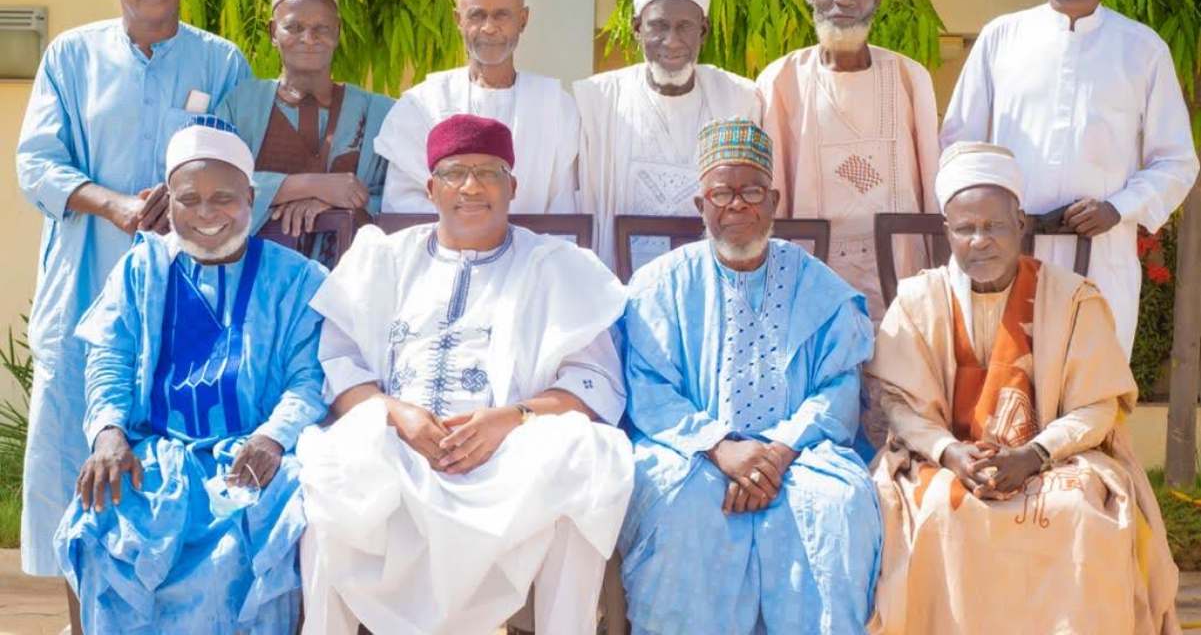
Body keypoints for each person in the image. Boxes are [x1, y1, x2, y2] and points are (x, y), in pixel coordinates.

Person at [296, 114, 633, 635]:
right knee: (329, 467)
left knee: (586, 459)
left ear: (512, 186)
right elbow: (340, 366)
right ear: (431, 188)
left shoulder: (558, 266)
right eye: (454, 172)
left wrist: (510, 419)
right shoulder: (383, 258)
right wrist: (397, 414)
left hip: (509, 460)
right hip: (401, 449)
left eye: (488, 172)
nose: (471, 187)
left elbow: (593, 381)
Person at [15, 0, 249, 596]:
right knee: (69, 442)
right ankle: (79, 610)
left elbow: (239, 170)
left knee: (171, 442)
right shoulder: (71, 57)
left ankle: (164, 608)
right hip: (88, 274)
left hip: (184, 289)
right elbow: (37, 164)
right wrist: (111, 202)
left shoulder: (220, 61)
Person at [866, 141, 1179, 634]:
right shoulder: (918, 301)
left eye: (993, 226)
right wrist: (951, 455)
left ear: (1021, 227)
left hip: (1051, 457)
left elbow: (1097, 407)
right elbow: (901, 407)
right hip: (946, 459)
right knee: (932, 514)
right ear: (948, 233)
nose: (980, 240)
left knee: (1077, 512)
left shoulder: (1073, 298)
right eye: (966, 229)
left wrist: (1032, 455)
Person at [54, 119, 328, 634]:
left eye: (223, 197)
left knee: (258, 539)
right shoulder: (142, 268)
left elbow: (309, 378)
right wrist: (109, 432)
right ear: (168, 201)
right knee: (96, 520)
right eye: (189, 199)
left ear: (250, 196)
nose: (206, 214)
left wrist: (273, 438)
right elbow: (109, 356)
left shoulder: (298, 279)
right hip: (152, 453)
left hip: (255, 454)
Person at [618, 118, 881, 634]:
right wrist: (721, 447)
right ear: (701, 206)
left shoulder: (819, 286)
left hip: (801, 454)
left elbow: (839, 387)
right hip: (692, 452)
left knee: (838, 505)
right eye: (722, 192)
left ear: (774, 201)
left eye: (751, 190)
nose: (736, 204)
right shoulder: (659, 286)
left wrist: (778, 452)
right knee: (682, 509)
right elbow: (649, 387)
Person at [940, 0, 1199, 356]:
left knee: (1094, 395)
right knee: (1005, 393)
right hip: (1008, 253)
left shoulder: (1143, 49)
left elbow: (1177, 161)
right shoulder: (1002, 38)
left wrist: (1118, 207)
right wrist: (993, 216)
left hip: (1101, 257)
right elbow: (958, 147)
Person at [758, 0, 940, 321]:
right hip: (807, 280)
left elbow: (933, 190)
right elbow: (770, 192)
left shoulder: (910, 78)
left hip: (901, 279)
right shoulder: (780, 80)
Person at [575, 0, 762, 269]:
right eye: (658, 26)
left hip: (712, 287)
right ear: (637, 28)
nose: (672, 41)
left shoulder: (739, 100)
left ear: (703, 30)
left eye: (684, 27)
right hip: (619, 287)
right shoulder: (597, 101)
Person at [217, 0, 392, 265]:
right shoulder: (241, 106)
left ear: (337, 31)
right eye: (293, 27)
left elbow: (405, 201)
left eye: (321, 28)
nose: (308, 39)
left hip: (351, 290)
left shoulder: (380, 115)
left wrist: (333, 205)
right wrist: (307, 186)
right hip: (255, 284)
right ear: (273, 32)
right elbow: (212, 188)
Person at [374, 0, 578, 215]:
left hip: (533, 253)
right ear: (459, 20)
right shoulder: (421, 105)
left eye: (502, 15)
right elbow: (403, 206)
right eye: (477, 15)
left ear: (523, 20)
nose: (489, 27)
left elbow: (564, 211)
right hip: (443, 254)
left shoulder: (555, 106)